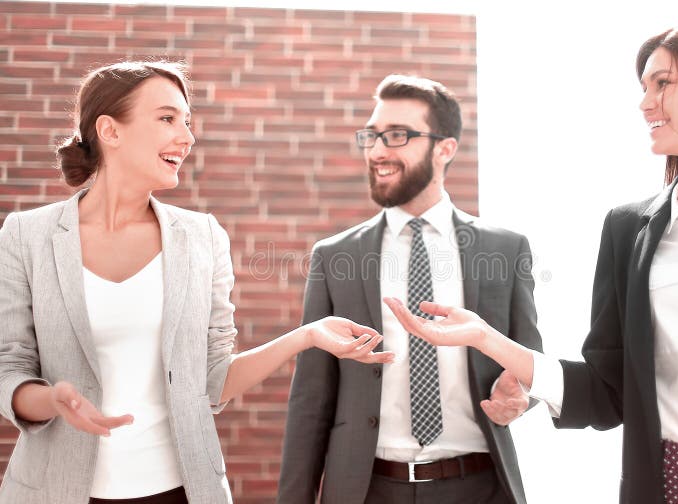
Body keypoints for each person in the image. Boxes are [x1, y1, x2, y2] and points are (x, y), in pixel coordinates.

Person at [384, 21, 678, 504]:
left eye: (663, 83)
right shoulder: (629, 230)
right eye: (643, 88)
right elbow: (608, 391)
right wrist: (485, 337)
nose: (645, 103)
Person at [0, 60, 393, 504]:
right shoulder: (26, 236)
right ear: (110, 131)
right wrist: (53, 401)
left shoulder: (203, 237)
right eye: (168, 118)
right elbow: (9, 367)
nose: (187, 138)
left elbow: (211, 380)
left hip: (183, 490)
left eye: (187, 122)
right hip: (56, 490)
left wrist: (306, 337)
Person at [277, 74, 542, 504]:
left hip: (480, 487)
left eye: (397, 136)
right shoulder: (334, 256)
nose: (378, 151)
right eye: (373, 136)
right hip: (366, 490)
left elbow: (530, 358)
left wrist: (522, 395)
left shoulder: (506, 248)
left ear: (445, 148)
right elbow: (310, 401)